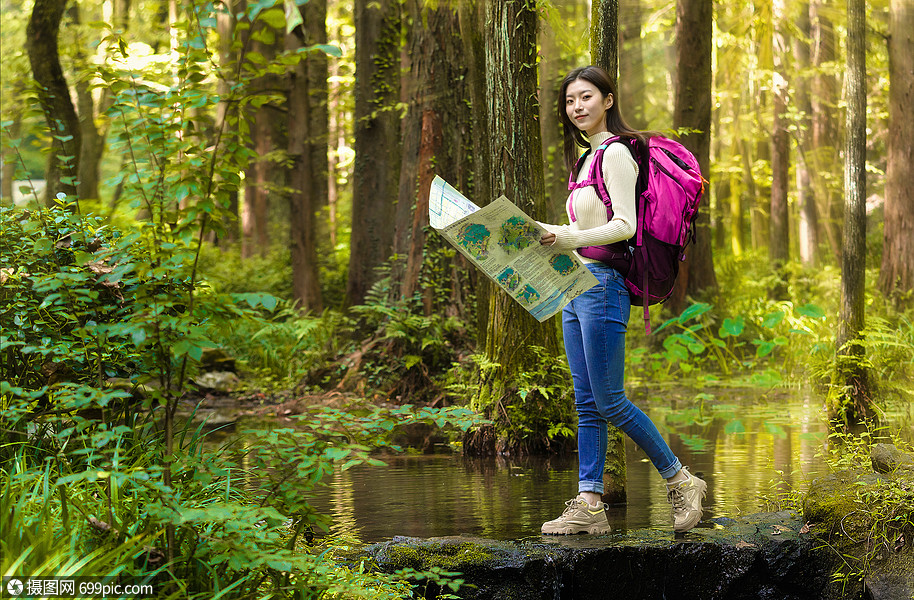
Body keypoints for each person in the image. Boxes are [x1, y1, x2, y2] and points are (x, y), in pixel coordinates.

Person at [538, 65, 707, 535]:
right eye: (570, 101)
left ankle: (681, 480)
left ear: (608, 100)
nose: (577, 107)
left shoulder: (615, 154)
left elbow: (625, 227)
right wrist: (547, 233)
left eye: (586, 97)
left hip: (603, 288)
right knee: (587, 403)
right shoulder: (584, 161)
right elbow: (584, 228)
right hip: (575, 286)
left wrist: (566, 240)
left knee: (610, 401)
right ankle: (590, 504)